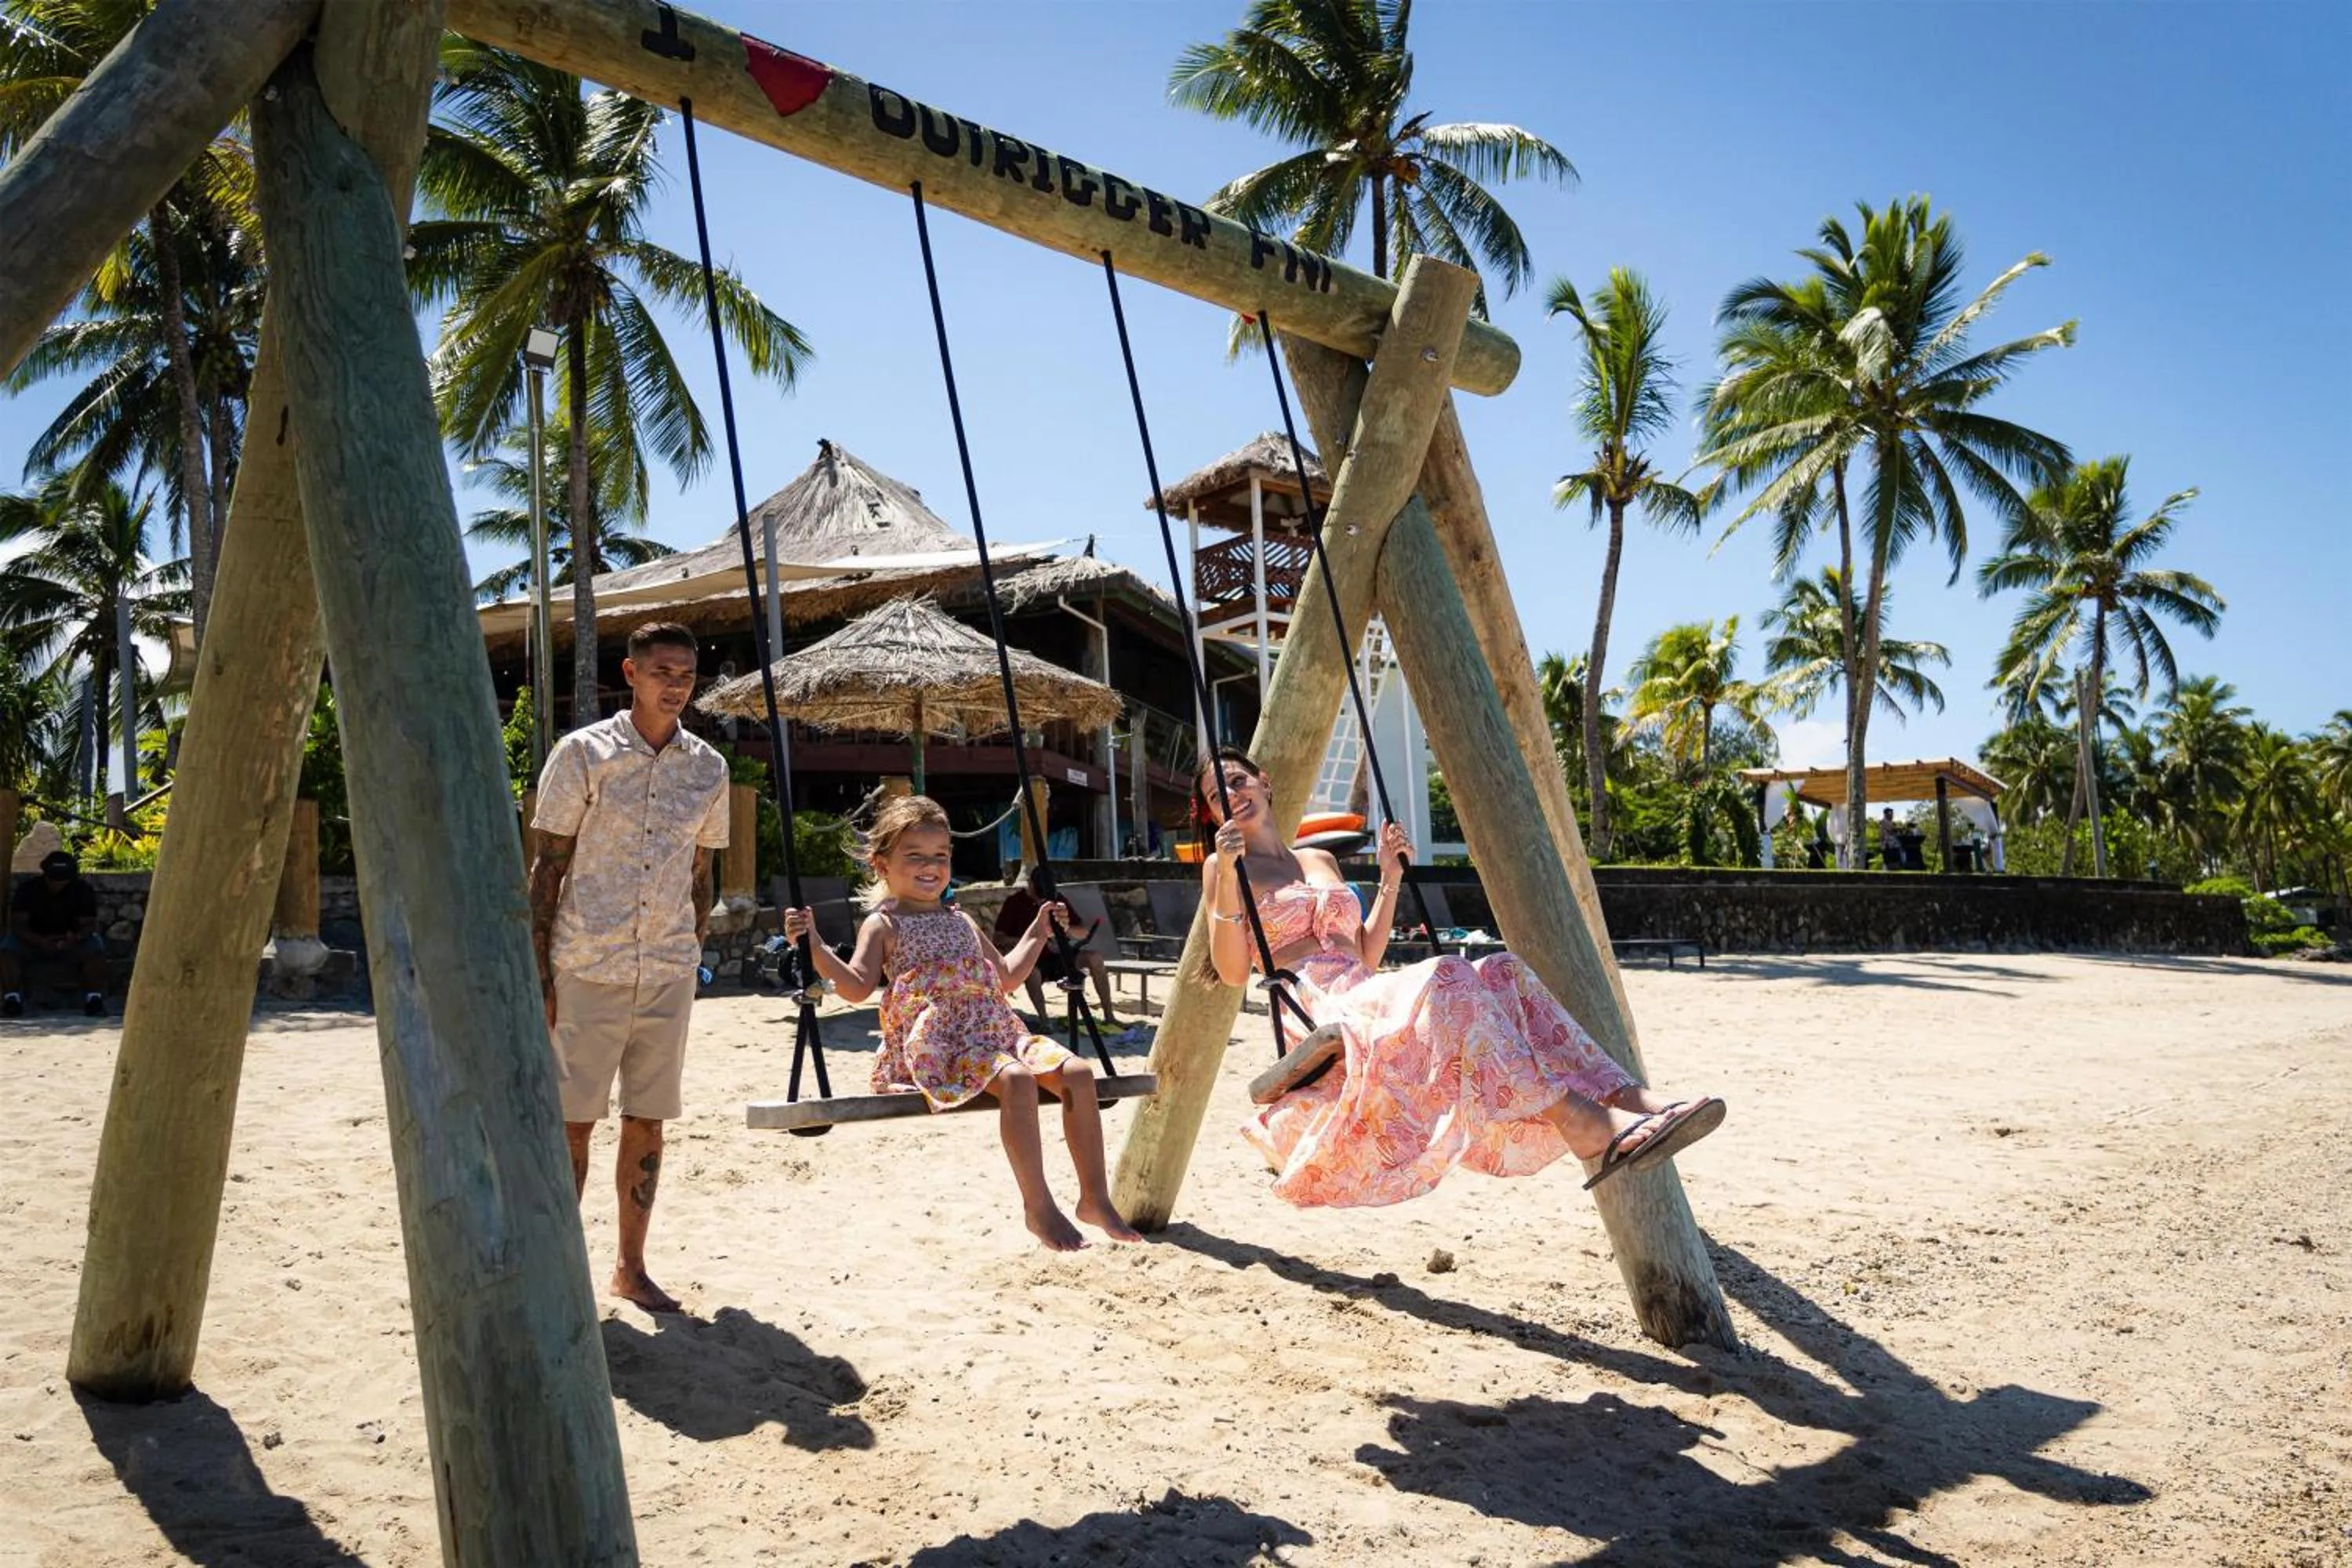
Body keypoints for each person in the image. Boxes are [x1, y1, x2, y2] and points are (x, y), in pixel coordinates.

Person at [1194, 749, 1724, 1208]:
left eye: (1238, 781)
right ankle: (1582, 1121)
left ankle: (1633, 1099)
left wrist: (1390, 878)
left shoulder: (1318, 858)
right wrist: (1222, 880)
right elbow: (1236, 971)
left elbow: (1363, 955)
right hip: (1317, 1007)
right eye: (1218, 796)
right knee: (1450, 974)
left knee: (1503, 970)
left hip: (1365, 990)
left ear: (1264, 781)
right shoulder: (1225, 869)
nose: (1232, 796)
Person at [783, 794, 1141, 1251]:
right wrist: (812, 943)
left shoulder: (963, 921)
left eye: (940, 856)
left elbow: (1007, 979)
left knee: (1078, 1072)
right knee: (1016, 1081)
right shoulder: (883, 925)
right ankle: (1039, 1206)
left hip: (998, 1033)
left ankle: (1095, 1198)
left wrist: (1038, 931)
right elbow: (855, 987)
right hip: (940, 1047)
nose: (930, 866)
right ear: (881, 866)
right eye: (914, 856)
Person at [529, 622, 731, 1312]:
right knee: (571, 1123)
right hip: (586, 962)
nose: (675, 685)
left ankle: (630, 1267)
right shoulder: (582, 754)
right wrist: (540, 974)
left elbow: (702, 872)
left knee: (649, 1121)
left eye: (686, 674)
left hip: (668, 967)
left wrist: (693, 950)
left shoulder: (708, 767)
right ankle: (558, 1272)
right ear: (631, 673)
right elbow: (547, 868)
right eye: (662, 671)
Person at [992, 864, 1131, 1036]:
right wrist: (1034, 940)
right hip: (1034, 959)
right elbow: (998, 938)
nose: (1043, 902)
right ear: (1030, 885)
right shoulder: (1015, 903)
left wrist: (1064, 930)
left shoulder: (1057, 901)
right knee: (1032, 973)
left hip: (1060, 955)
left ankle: (1110, 1016)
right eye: (1040, 897)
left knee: (1094, 958)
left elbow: (1083, 932)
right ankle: (1045, 1022)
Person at [2, 849, 109, 1018]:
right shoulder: (28, 890)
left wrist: (76, 938)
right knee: (8, 947)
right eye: (54, 879)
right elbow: (18, 924)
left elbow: (89, 924)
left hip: (71, 943)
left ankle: (94, 999)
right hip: (33, 942)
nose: (58, 883)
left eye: (63, 879)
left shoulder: (82, 890)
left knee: (96, 946)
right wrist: (40, 941)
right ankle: (11, 1000)